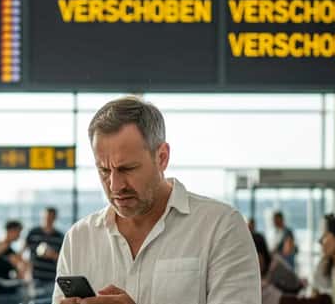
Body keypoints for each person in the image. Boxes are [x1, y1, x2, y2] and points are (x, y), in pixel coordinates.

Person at [54, 97, 260, 304]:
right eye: (104, 170)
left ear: (162, 157)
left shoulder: (220, 227)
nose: (115, 186)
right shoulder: (79, 238)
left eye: (127, 169)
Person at [25, 207, 63, 297]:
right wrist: (26, 271)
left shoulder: (60, 236)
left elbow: (63, 260)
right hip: (35, 278)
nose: (48, 220)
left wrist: (53, 255)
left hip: (51, 279)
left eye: (51, 217)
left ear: (55, 218)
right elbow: (23, 252)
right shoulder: (33, 233)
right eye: (46, 217)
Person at [0, 221, 27, 295]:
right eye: (18, 232)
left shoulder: (12, 252)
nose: (19, 235)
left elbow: (21, 274)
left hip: (8, 290)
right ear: (10, 231)